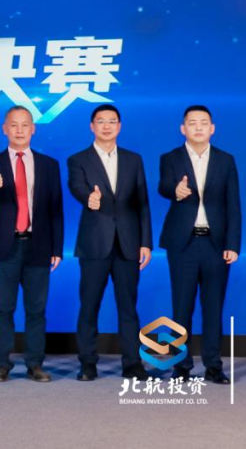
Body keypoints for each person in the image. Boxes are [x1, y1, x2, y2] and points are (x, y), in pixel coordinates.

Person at [0, 105, 64, 383]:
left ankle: (35, 364)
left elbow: (56, 209)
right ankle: (2, 364)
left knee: (36, 310)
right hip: (5, 246)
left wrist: (57, 248)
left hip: (39, 245)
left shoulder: (49, 164)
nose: (20, 130)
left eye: (25, 125)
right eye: (14, 125)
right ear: (5, 129)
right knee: (4, 308)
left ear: (33, 129)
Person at [67, 104, 153, 382]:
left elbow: (142, 202)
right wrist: (88, 198)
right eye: (101, 121)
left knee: (128, 307)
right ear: (92, 126)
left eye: (112, 121)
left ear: (120, 126)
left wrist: (146, 242)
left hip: (128, 244)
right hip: (94, 244)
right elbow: (76, 186)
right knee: (89, 306)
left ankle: (133, 363)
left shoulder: (133, 159)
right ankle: (87, 363)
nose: (106, 126)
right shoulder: (78, 159)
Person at [157, 105, 240, 385]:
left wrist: (233, 244)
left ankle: (213, 365)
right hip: (184, 243)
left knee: (213, 306)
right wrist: (176, 190)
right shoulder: (170, 158)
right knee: (181, 306)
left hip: (216, 244)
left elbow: (233, 205)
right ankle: (181, 366)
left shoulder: (226, 160)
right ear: (183, 129)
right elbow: (163, 186)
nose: (198, 127)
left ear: (212, 128)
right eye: (192, 123)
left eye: (204, 122)